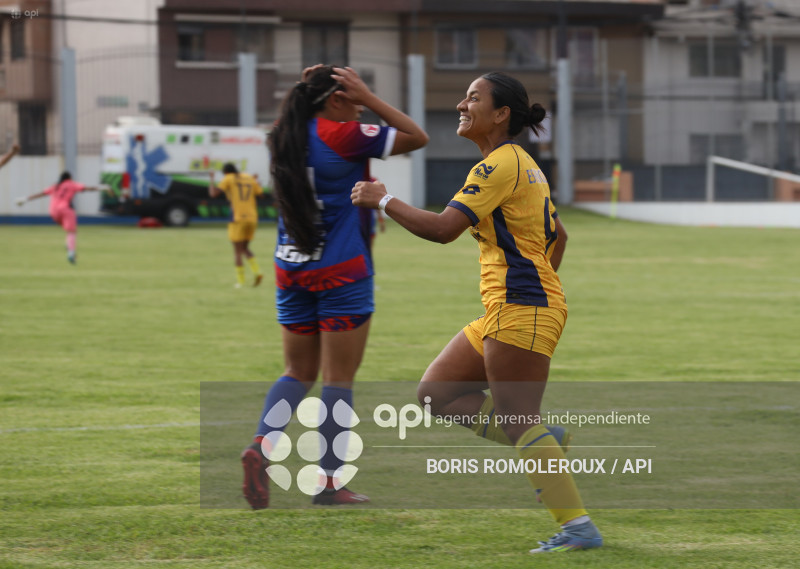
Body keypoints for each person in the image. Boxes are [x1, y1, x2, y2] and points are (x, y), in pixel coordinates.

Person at [350, 72, 602, 553]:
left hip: (521, 307)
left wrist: (382, 199)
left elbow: (444, 229)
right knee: (435, 394)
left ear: (501, 113)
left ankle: (578, 528)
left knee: (519, 420)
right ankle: (545, 442)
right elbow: (560, 237)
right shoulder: (521, 163)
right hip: (513, 307)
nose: (462, 106)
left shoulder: (498, 166)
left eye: (473, 98)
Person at [240, 65, 428, 509]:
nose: (361, 104)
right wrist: (371, 99)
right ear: (338, 99)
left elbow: (299, 113)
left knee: (296, 372)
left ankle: (262, 446)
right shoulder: (343, 135)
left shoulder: (283, 135)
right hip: (342, 270)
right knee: (337, 379)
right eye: (355, 96)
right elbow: (416, 136)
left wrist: (322, 91)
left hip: (291, 269)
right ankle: (328, 484)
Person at [16, 172, 108, 264]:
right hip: (66, 209)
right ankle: (71, 253)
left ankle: (68, 244)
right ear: (70, 178)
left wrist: (25, 199)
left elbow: (41, 194)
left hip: (53, 211)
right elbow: (87, 188)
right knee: (72, 231)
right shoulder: (71, 184)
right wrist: (102, 187)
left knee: (67, 229)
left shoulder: (56, 186)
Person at [208, 163, 265, 288]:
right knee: (245, 248)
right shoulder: (249, 177)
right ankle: (257, 271)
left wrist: (211, 178)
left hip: (238, 217)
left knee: (237, 252)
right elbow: (260, 194)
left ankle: (240, 281)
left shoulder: (229, 178)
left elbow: (213, 194)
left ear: (226, 172)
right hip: (252, 217)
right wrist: (256, 181)